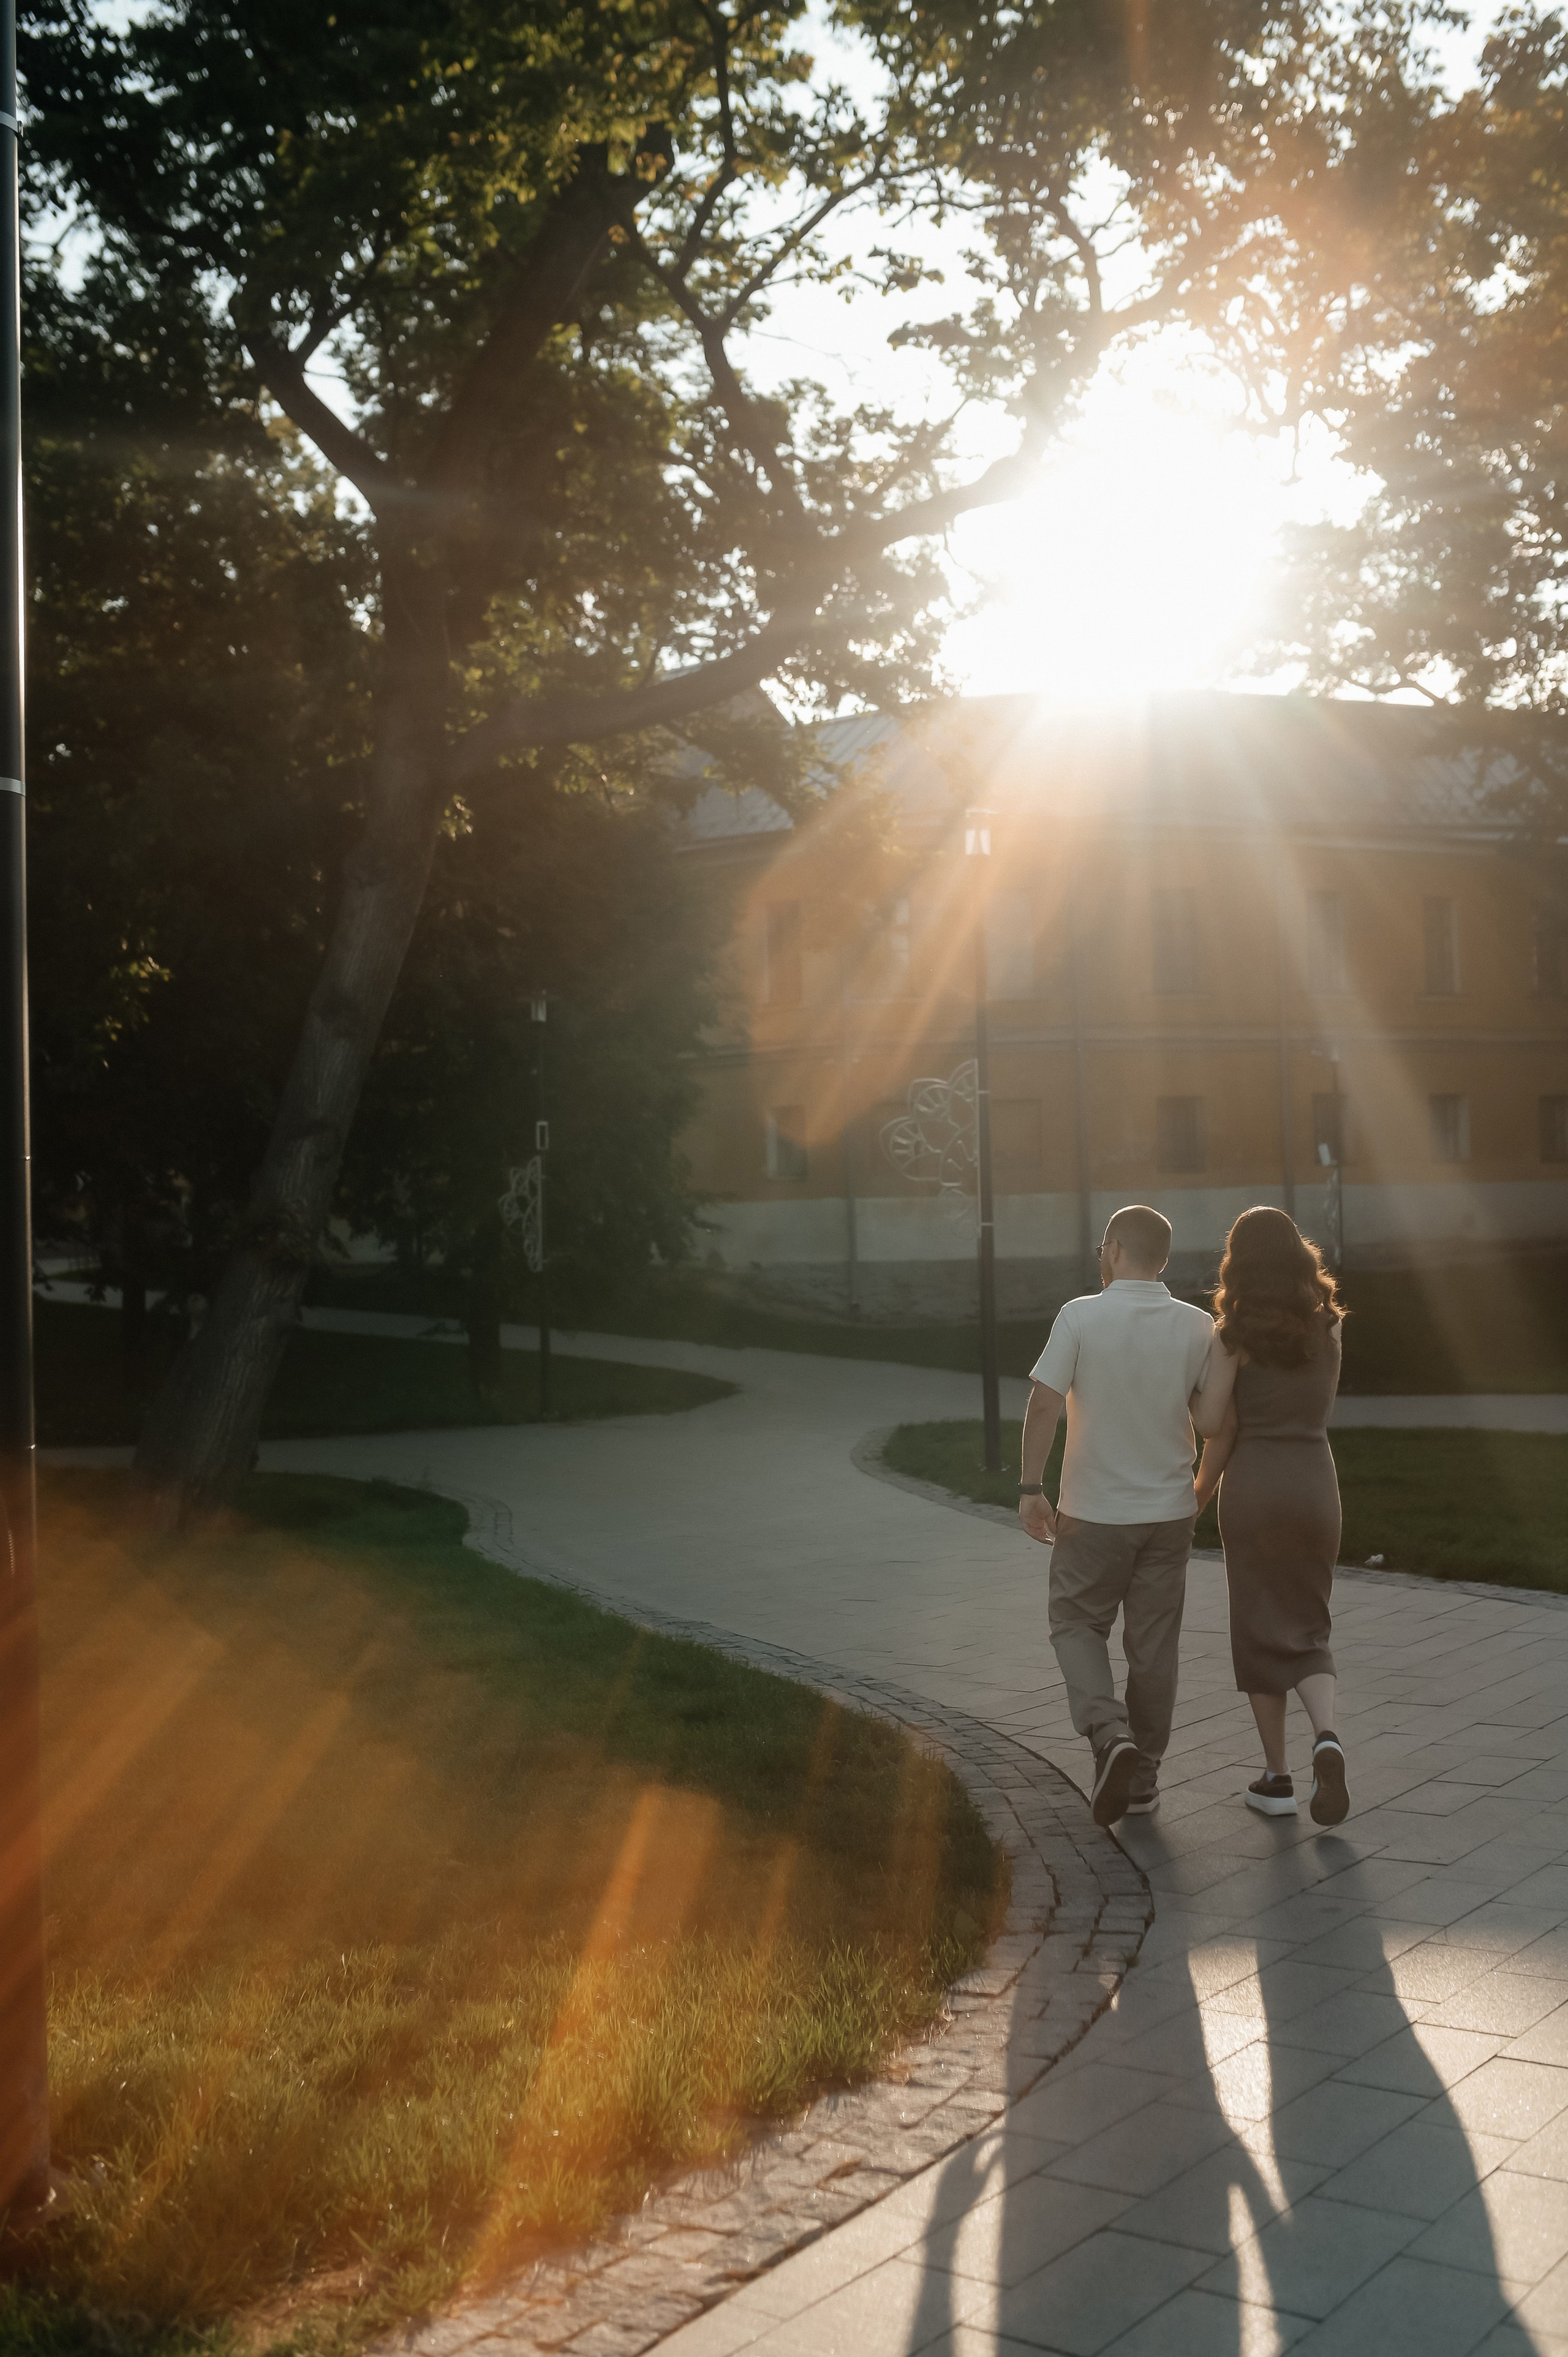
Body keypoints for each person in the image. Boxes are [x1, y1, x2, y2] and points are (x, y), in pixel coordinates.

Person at [1018, 1204, 1227, 1828]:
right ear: (1161, 1256)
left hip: (1093, 1513)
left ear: (1112, 1249)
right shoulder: (1199, 1327)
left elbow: (1045, 1401)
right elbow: (1215, 1420)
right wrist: (1201, 1488)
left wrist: (1031, 1485)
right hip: (1168, 1513)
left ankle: (1111, 1737)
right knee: (1153, 1647)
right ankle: (1143, 1780)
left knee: (1075, 1622)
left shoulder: (1080, 1315)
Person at [1191, 1205, 1349, 1826]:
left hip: (1254, 1486)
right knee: (1307, 1624)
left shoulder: (1230, 1334)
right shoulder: (1329, 1325)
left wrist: (1199, 1488)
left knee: (1259, 1628)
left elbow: (1213, 1424)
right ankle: (1328, 1735)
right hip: (1314, 1482)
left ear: (1238, 1261)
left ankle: (1278, 1779)